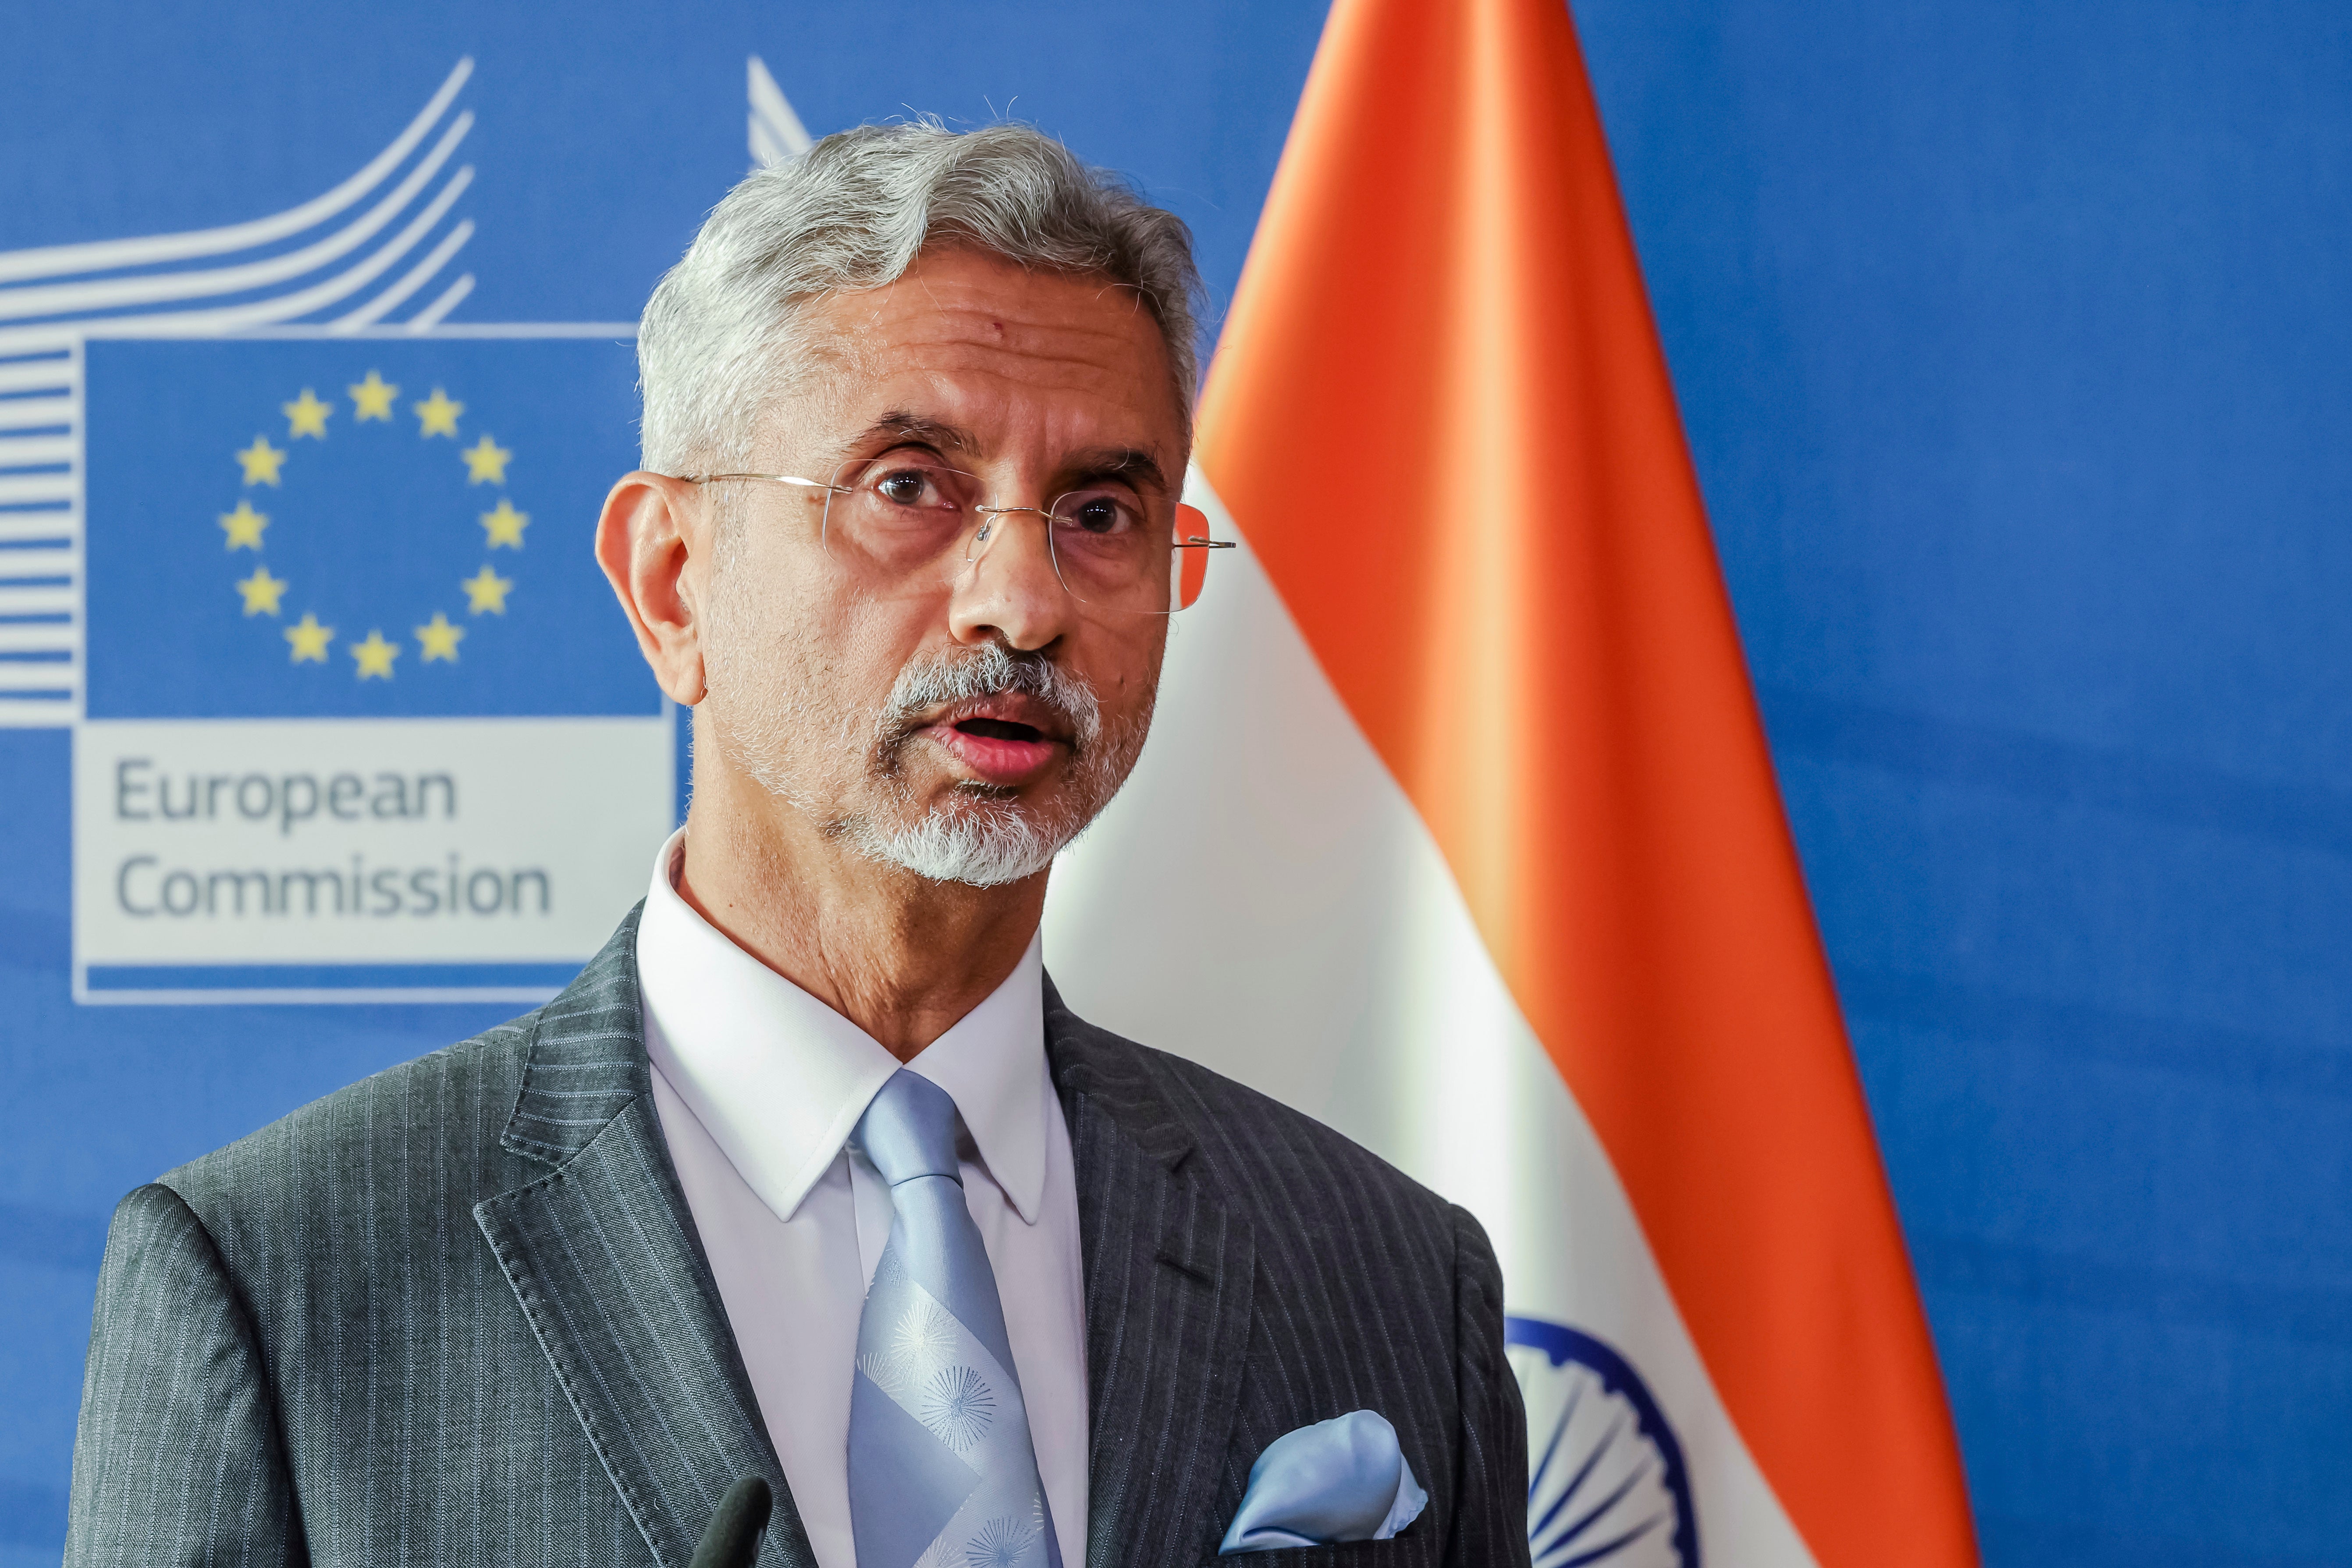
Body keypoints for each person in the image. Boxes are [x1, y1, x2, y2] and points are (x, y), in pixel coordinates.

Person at [64, 122, 1529, 1568]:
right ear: (673, 583)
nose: (1020, 601)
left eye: (1100, 510)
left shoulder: (1393, 1279)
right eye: (910, 485)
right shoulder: (279, 1283)